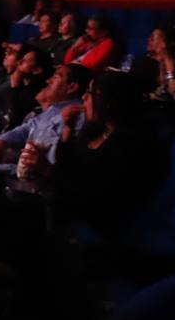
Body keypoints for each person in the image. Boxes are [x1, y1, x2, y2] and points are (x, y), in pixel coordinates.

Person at [51, 72, 164, 235]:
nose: (84, 97)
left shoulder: (131, 144)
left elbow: (96, 197)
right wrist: (68, 127)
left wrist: (47, 172)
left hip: (102, 226)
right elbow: (66, 162)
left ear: (109, 101)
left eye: (90, 93)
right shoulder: (97, 129)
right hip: (70, 204)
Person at [0, 64, 91, 174]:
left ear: (72, 87)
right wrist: (1, 142)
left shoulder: (76, 115)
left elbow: (48, 167)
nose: (48, 81)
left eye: (55, 77)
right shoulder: (53, 109)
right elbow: (27, 128)